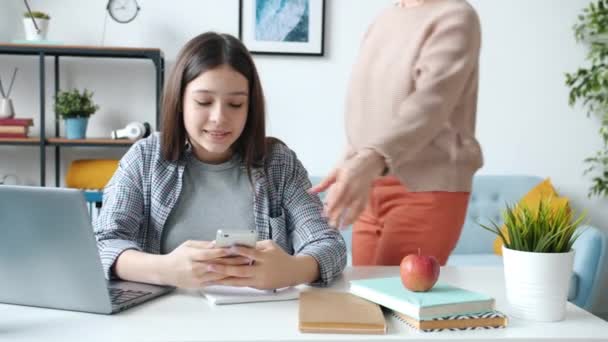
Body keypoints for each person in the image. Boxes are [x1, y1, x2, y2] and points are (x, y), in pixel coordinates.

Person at [94, 32, 347, 289]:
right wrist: (163, 269)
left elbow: (329, 244)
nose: (219, 117)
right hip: (162, 320)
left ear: (251, 107)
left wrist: (292, 270)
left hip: (262, 319)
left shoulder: (278, 163)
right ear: (180, 101)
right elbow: (103, 241)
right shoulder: (145, 158)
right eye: (204, 101)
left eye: (235, 104)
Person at [310, 0, 483, 266]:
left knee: (397, 302)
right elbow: (368, 106)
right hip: (370, 183)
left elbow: (429, 105)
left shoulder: (455, 16)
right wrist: (349, 163)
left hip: (425, 187)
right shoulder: (385, 19)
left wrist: (367, 161)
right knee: (364, 299)